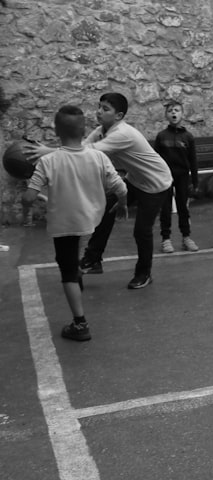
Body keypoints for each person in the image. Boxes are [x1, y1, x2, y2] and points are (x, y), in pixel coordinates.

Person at [25, 93, 173, 289]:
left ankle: (144, 273)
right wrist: (53, 151)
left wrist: (47, 152)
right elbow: (79, 147)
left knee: (141, 231)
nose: (99, 112)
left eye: (105, 109)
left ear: (119, 116)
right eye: (99, 107)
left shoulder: (122, 133)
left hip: (156, 183)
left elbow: (89, 152)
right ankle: (93, 259)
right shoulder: (102, 129)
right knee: (105, 209)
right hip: (135, 179)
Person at [21, 105, 128, 340]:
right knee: (76, 250)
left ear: (57, 130)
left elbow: (28, 198)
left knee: (67, 270)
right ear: (84, 131)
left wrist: (28, 198)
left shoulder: (48, 161)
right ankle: (78, 271)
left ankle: (80, 325)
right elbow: (121, 187)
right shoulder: (98, 156)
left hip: (65, 224)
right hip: (92, 217)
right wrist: (122, 204)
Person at [153, 100, 199, 253]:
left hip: (182, 177)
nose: (174, 113)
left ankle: (186, 237)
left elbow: (193, 160)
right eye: (170, 111)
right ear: (166, 115)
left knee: (182, 208)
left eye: (177, 110)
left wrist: (195, 181)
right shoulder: (161, 136)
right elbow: (156, 159)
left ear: (182, 114)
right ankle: (166, 239)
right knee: (165, 208)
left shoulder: (188, 137)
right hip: (165, 178)